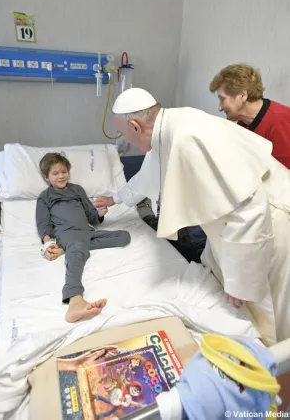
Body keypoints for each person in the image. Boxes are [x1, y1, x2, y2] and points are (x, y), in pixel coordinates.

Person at [108, 87, 290, 346]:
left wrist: (240, 282)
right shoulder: (169, 127)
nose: (123, 140)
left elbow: (250, 207)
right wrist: (115, 199)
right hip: (236, 227)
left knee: (269, 310)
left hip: (268, 223)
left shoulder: (186, 137)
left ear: (136, 126)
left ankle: (275, 366)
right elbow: (149, 175)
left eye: (122, 133)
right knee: (215, 273)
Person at [36, 152, 131, 323]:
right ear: (46, 176)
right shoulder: (45, 197)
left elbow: (91, 216)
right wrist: (48, 243)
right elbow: (43, 224)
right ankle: (75, 300)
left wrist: (100, 214)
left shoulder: (77, 190)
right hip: (66, 234)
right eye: (55, 173)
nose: (61, 176)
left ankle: (68, 249)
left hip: (86, 232)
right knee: (78, 251)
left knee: (124, 236)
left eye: (64, 171)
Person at [94, 151, 206, 264]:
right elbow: (148, 175)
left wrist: (114, 199)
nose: (127, 139)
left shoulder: (168, 143)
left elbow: (148, 176)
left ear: (140, 131)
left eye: (124, 133)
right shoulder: (164, 146)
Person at [209, 63, 290, 169]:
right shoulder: (243, 121)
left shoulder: (279, 123)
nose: (220, 108)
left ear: (242, 95)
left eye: (222, 99)